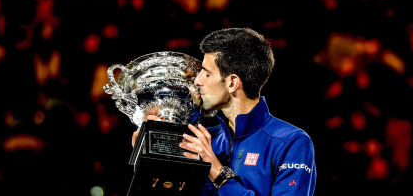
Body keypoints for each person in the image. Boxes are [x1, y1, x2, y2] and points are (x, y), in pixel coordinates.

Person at [133, 27, 316, 195]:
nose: (197, 81)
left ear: (232, 83)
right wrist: (154, 156)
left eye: (206, 73)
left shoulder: (291, 143)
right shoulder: (207, 142)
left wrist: (217, 173)